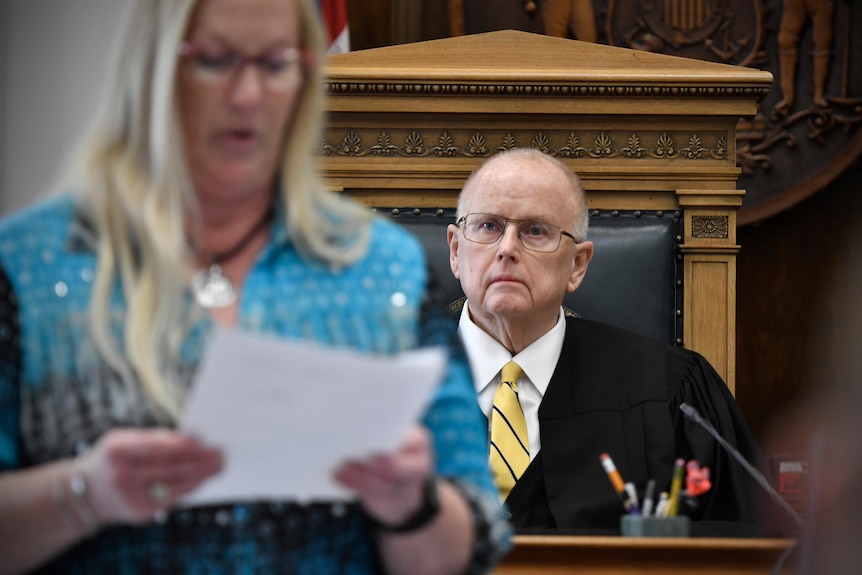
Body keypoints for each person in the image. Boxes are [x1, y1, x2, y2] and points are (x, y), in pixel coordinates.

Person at [0, 0, 510, 573]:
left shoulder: (385, 269)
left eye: (274, 64)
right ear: (153, 70)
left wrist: (408, 506)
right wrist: (83, 495)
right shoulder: (31, 264)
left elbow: (469, 549)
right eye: (215, 61)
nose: (246, 96)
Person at [446, 148, 782, 536]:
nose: (506, 248)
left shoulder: (671, 392)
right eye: (488, 226)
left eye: (535, 231)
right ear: (456, 250)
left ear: (577, 265)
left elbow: (749, 545)